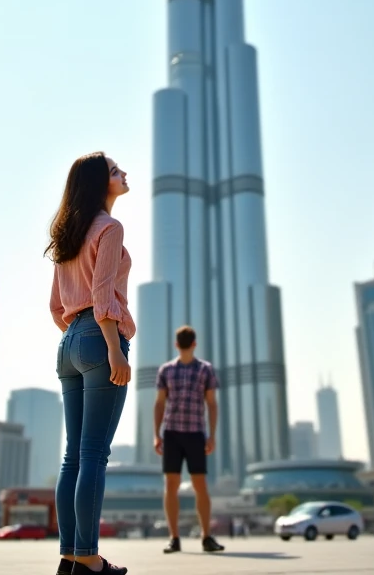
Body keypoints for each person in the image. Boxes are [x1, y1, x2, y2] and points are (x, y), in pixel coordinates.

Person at [48, 152, 134, 575]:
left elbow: (54, 306)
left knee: (73, 458)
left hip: (69, 342)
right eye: (116, 171)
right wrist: (113, 348)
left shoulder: (69, 233)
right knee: (94, 454)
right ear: (102, 183)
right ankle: (88, 559)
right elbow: (103, 295)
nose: (123, 174)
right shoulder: (109, 228)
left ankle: (70, 557)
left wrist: (76, 336)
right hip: (100, 338)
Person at [154, 326, 225, 554]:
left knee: (199, 485)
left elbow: (211, 404)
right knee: (172, 485)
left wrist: (211, 434)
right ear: (194, 343)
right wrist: (157, 434)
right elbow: (160, 403)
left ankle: (206, 537)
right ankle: (174, 538)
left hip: (195, 433)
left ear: (179, 344)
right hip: (173, 434)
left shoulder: (206, 370)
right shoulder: (166, 370)